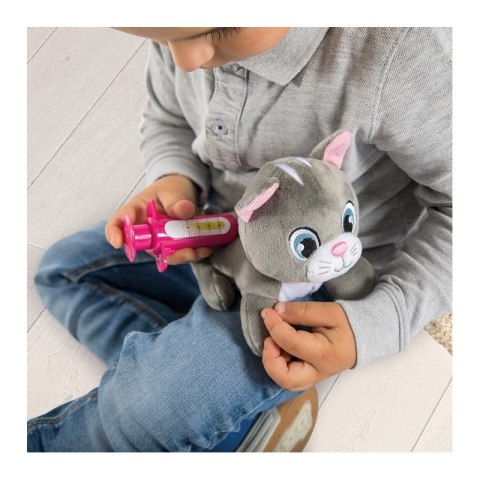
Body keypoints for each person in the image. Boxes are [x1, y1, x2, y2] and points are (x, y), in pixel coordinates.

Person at [27, 27, 452, 452]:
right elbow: (167, 116)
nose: (185, 61)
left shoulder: (402, 51)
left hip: (316, 284)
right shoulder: (184, 34)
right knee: (63, 271)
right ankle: (235, 420)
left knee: (137, 414)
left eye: (217, 31)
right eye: (162, 39)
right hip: (221, 240)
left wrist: (374, 323)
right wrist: (176, 179)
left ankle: (197, 400)